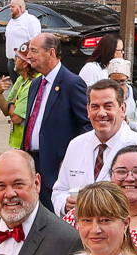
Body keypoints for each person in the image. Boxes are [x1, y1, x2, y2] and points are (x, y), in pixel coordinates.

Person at [52, 79, 137, 214]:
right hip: (77, 231)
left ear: (122, 109)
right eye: (95, 107)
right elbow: (59, 191)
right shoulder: (75, 145)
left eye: (108, 106)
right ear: (88, 110)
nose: (101, 113)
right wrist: (65, 204)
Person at [20, 33, 92, 211]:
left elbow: (88, 125)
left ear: (51, 53)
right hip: (32, 162)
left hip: (55, 167)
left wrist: (71, 158)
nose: (28, 56)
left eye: (34, 51)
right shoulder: (36, 84)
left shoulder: (72, 83)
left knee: (52, 217)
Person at [0, 53, 36, 150]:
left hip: (28, 145)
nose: (14, 59)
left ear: (25, 64)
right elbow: (6, 111)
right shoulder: (20, 80)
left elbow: (16, 119)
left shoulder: (33, 84)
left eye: (18, 57)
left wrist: (12, 103)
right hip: (18, 143)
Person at [2, 0, 42, 69]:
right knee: (15, 80)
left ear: (20, 8)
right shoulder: (12, 21)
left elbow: (36, 41)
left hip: (24, 62)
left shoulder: (30, 20)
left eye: (12, 7)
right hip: (12, 61)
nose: (10, 9)